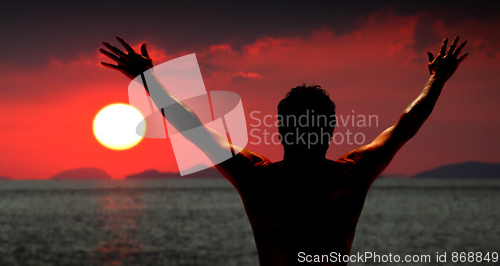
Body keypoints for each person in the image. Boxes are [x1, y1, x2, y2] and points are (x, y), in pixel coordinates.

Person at [100, 36, 468, 265]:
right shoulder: (351, 174)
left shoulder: (257, 178)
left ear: (281, 129)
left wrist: (146, 78)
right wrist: (437, 78)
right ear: (330, 129)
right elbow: (406, 126)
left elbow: (192, 126)